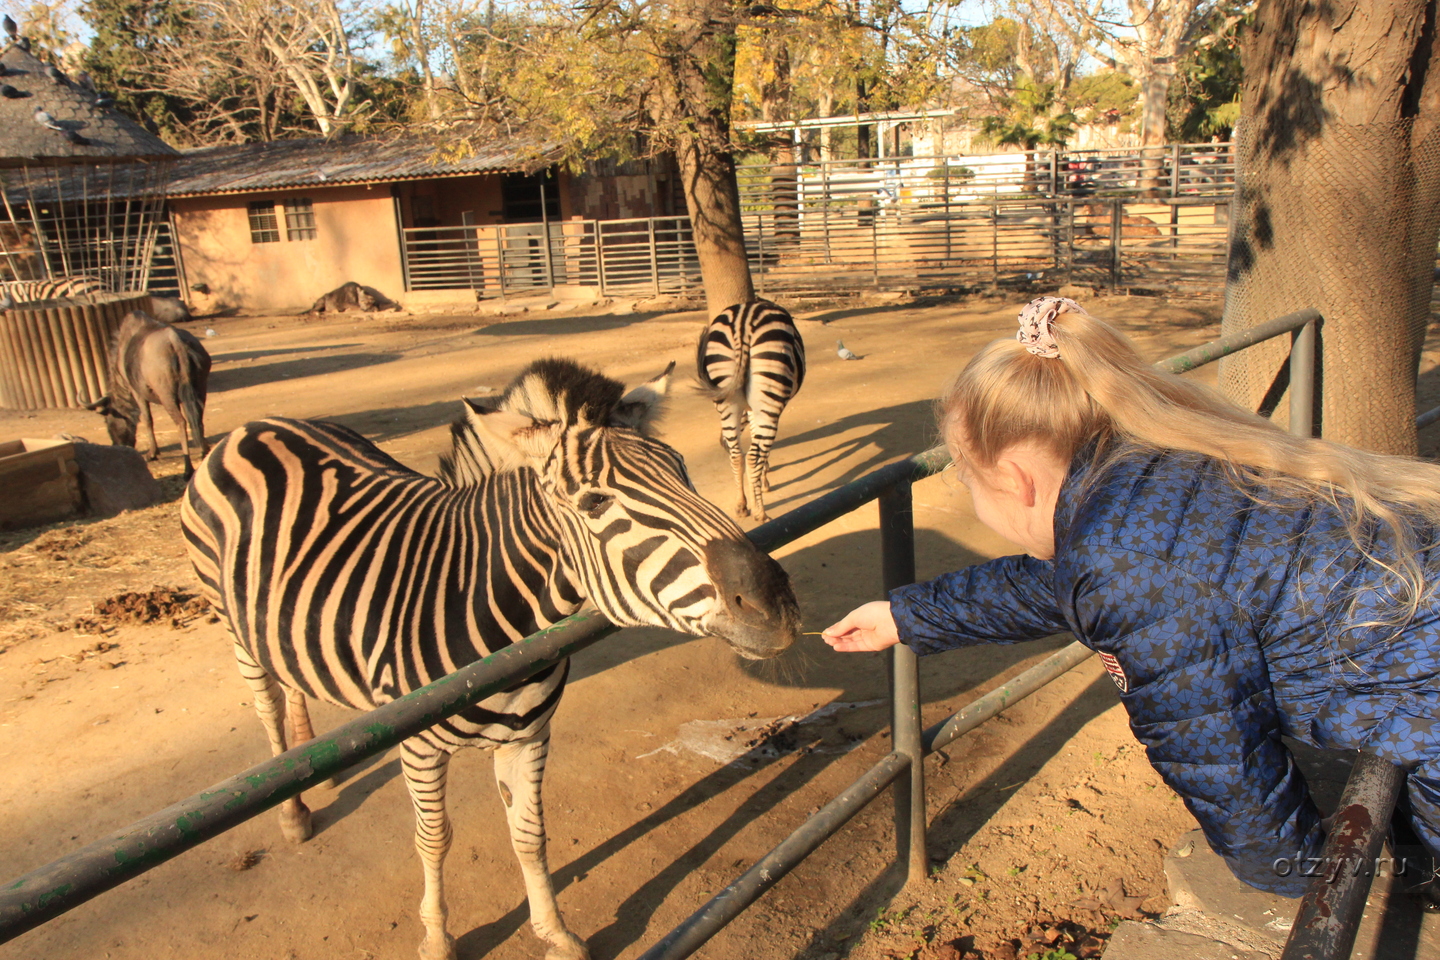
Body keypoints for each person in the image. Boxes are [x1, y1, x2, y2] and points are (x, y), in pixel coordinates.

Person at [822, 296, 1440, 898]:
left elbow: (1217, 753)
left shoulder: (1122, 558)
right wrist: (907, 614)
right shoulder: (1141, 469)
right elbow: (1073, 585)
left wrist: (1294, 873)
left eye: (966, 478)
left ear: (1015, 481)